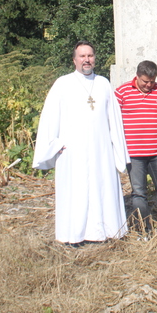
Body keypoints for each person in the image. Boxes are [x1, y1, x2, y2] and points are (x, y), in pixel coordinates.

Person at [32, 41, 129, 245]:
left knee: (102, 188)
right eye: (82, 56)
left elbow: (115, 120)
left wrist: (118, 151)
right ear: (74, 60)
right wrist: (55, 144)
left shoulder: (103, 83)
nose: (87, 60)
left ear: (95, 58)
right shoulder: (63, 84)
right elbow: (50, 117)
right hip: (73, 153)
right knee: (76, 192)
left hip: (101, 151)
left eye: (90, 56)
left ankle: (105, 232)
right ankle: (74, 235)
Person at [115, 60, 157, 251]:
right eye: (145, 81)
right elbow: (111, 117)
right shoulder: (121, 93)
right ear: (137, 76)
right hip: (134, 154)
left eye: (152, 81)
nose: (148, 85)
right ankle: (145, 230)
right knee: (138, 194)